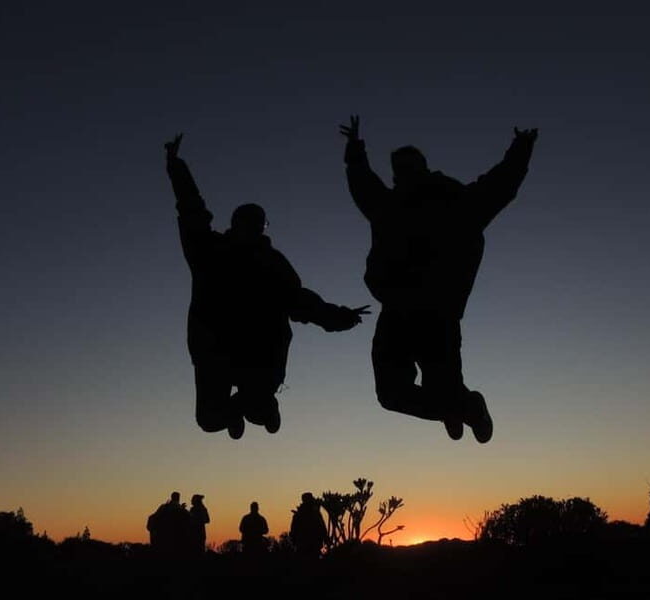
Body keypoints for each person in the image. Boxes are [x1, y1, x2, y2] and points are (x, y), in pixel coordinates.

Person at [339, 115, 538, 442]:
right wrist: (355, 150)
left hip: (436, 315)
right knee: (391, 394)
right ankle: (455, 406)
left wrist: (520, 149)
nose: (401, 175)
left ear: (422, 167)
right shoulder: (389, 206)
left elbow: (499, 185)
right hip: (396, 313)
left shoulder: (455, 202)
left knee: (438, 388)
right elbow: (363, 185)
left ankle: (464, 404)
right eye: (397, 170)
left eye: (407, 168)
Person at [164, 134, 370, 438]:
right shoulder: (210, 251)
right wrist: (176, 166)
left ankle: (260, 407)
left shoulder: (271, 263)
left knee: (258, 412)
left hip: (261, 354)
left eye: (258, 226)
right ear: (240, 226)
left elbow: (300, 302)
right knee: (209, 421)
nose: (255, 231)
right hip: (215, 351)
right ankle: (239, 411)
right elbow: (191, 209)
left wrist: (339, 317)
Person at [147, 491, 189, 555]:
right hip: (175, 535)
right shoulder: (179, 508)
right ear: (178, 498)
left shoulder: (164, 507)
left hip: (163, 535)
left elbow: (155, 516)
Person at [289, 492, 328, 558]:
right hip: (307, 544)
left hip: (309, 544)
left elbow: (293, 530)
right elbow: (322, 527)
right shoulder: (314, 513)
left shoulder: (300, 514)